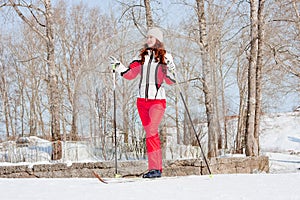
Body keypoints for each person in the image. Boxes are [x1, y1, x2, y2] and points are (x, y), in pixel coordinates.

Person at [109, 27, 176, 178]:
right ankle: (156, 169)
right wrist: (118, 66)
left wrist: (171, 69)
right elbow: (130, 74)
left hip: (157, 101)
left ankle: (155, 168)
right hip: (141, 102)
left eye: (152, 37)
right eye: (148, 37)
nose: (148, 40)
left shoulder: (166, 58)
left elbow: (171, 81)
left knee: (152, 131)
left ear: (158, 40)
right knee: (149, 134)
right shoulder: (141, 57)